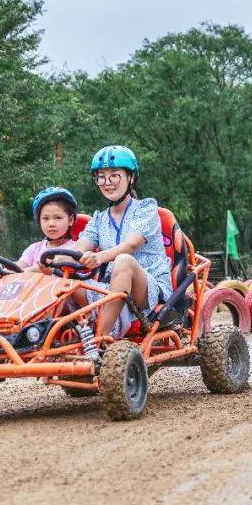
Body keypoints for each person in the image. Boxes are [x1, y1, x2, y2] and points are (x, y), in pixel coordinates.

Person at [73, 145, 173, 357]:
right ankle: (54, 341)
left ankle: (99, 344)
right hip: (110, 287)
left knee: (124, 260)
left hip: (148, 288)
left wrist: (98, 257)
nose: (107, 183)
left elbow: (130, 245)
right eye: (101, 177)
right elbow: (78, 248)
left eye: (115, 175)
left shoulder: (146, 208)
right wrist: (44, 264)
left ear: (131, 178)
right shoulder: (98, 219)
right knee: (65, 283)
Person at [17, 187, 78, 271]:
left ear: (70, 220)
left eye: (58, 217)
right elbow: (16, 269)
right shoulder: (34, 249)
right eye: (46, 218)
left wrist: (30, 270)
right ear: (39, 220)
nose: (51, 224)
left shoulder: (76, 248)